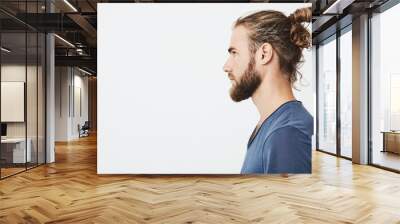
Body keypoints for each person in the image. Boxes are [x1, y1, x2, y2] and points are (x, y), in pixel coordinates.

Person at [222, 7, 314, 174]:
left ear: (264, 54)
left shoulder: (286, 134)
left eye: (234, 53)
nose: (226, 66)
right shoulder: (271, 125)